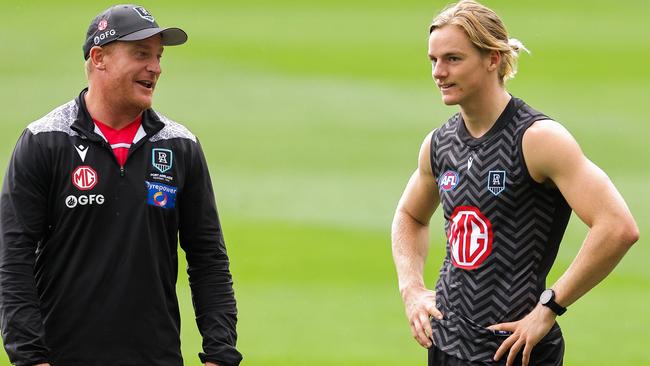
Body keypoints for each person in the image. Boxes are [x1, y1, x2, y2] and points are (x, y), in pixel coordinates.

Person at [390, 1, 639, 365]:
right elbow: (409, 216)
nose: (438, 72)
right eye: (433, 60)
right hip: (446, 345)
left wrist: (550, 307)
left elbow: (618, 227)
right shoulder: (439, 144)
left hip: (515, 351)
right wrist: (411, 287)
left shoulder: (538, 139)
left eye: (453, 59)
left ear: (493, 59)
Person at [0, 4, 242, 366]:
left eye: (158, 56)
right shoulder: (45, 141)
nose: (156, 67)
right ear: (99, 58)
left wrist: (220, 355)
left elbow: (208, 260)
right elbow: (12, 260)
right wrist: (30, 358)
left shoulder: (180, 146)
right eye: (141, 54)